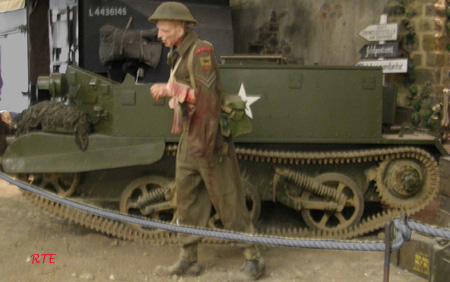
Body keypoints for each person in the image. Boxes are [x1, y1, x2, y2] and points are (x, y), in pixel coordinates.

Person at [148, 2, 265, 281]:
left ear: (180, 27)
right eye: (159, 30)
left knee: (228, 200)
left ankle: (253, 259)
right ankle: (188, 259)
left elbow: (207, 99)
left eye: (164, 30)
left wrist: (171, 89)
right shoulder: (177, 53)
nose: (160, 35)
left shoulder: (201, 51)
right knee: (187, 199)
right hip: (191, 136)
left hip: (210, 138)